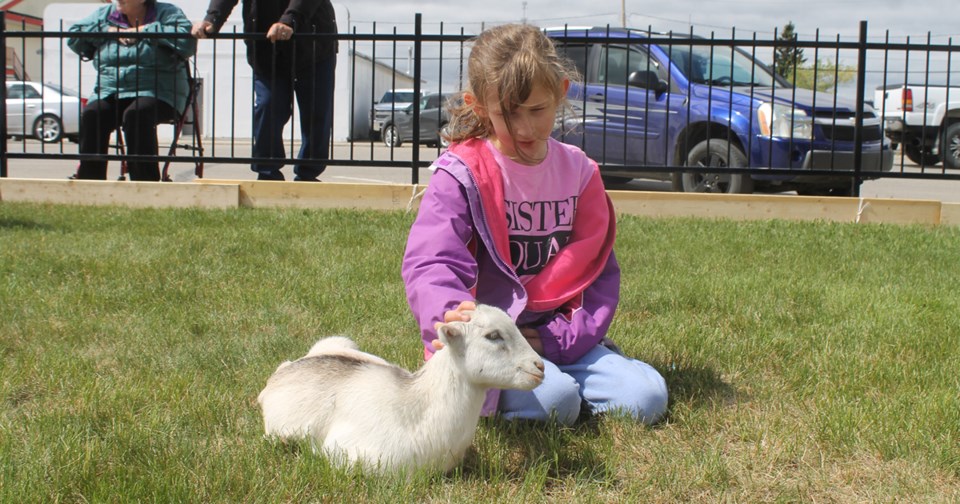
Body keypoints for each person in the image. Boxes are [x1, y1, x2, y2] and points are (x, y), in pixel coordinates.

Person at [402, 24, 669, 427]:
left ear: (560, 92)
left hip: (558, 336)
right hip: (491, 347)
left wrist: (556, 341)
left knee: (645, 399)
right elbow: (432, 262)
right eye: (508, 113)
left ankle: (570, 380)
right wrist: (451, 313)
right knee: (559, 400)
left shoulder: (579, 172)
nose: (525, 129)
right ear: (478, 106)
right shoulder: (461, 174)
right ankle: (538, 392)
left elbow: (596, 276)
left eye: (537, 110)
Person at [192, 0, 337, 182]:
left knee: (317, 111)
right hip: (266, 48)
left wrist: (289, 20)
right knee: (268, 105)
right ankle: (268, 173)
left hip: (314, 43)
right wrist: (212, 18)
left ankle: (308, 175)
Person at [67, 0, 196, 181]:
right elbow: (73, 37)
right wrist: (108, 31)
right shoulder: (105, 14)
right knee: (92, 113)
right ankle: (90, 182)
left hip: (159, 92)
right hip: (111, 90)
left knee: (136, 114)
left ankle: (144, 183)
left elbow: (187, 43)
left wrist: (144, 31)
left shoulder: (167, 12)